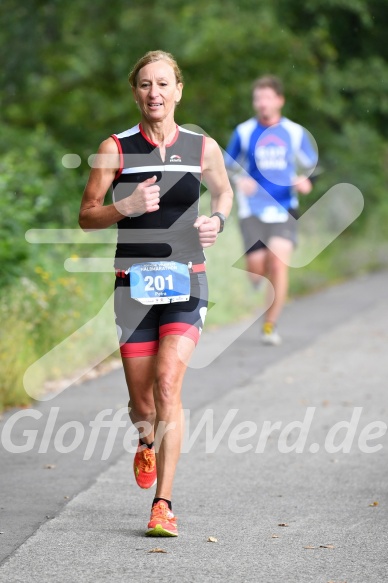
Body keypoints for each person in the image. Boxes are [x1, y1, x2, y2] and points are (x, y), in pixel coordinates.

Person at [79, 50, 233, 537]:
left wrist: (217, 221)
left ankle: (163, 504)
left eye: (163, 84)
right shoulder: (116, 149)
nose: (155, 93)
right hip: (134, 286)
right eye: (145, 84)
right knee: (143, 405)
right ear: (135, 92)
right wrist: (124, 206)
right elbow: (86, 215)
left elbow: (224, 192)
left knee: (168, 384)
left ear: (178, 90)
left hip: (188, 278)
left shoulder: (201, 146)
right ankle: (146, 439)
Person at [225, 75, 318, 345]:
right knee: (256, 269)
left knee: (278, 264)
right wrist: (239, 179)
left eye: (267, 98)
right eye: (257, 99)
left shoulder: (294, 132)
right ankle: (258, 279)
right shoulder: (244, 132)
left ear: (279, 100)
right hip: (252, 209)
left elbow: (311, 165)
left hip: (284, 208)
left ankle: (270, 325)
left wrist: (306, 181)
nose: (262, 103)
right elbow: (226, 164)